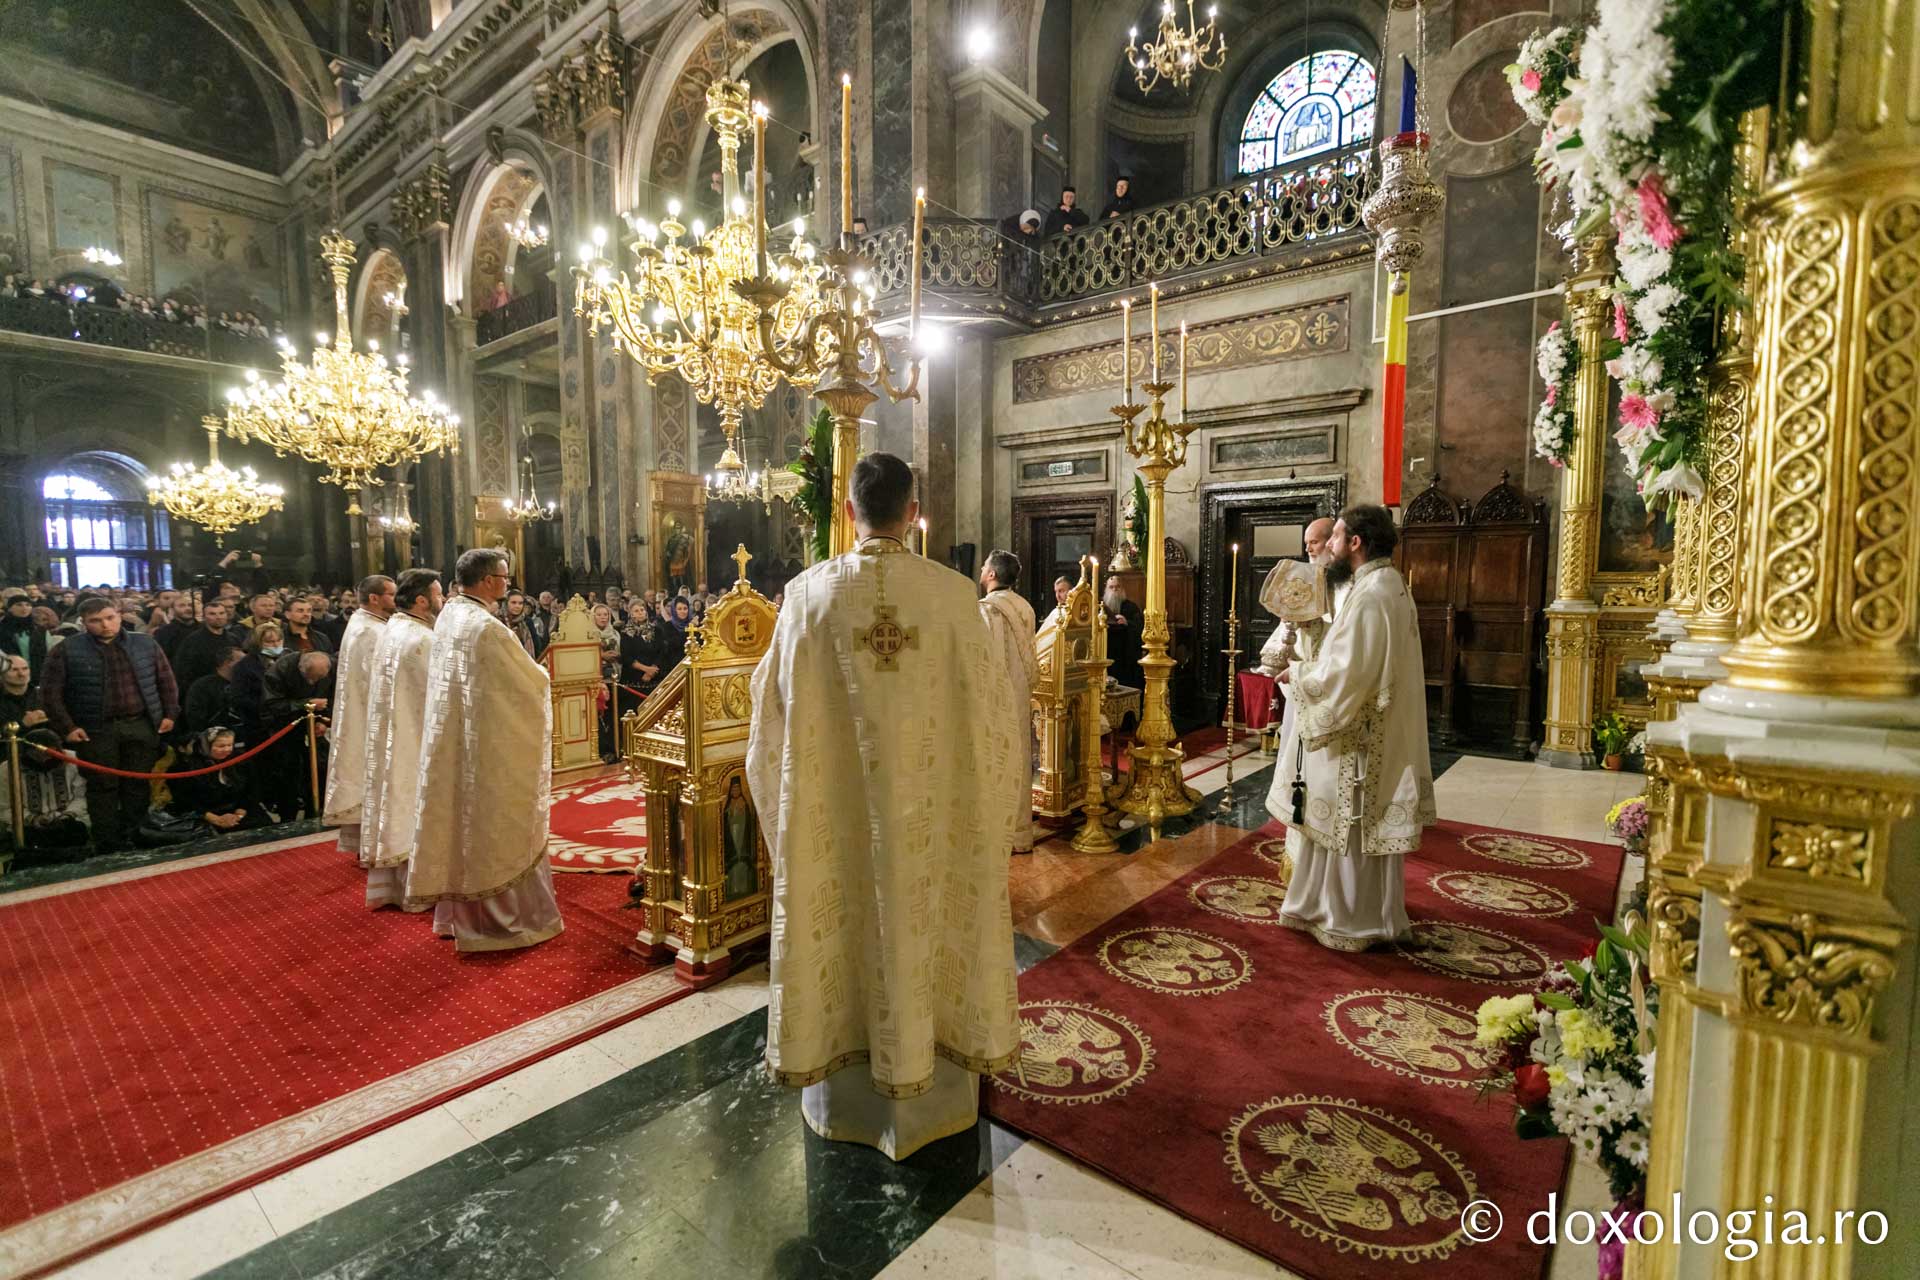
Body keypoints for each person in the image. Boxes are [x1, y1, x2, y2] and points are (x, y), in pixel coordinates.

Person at [746, 452, 1022, 1160]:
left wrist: (791, 840)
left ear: (848, 511)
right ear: (912, 511)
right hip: (935, 832)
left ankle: (848, 1102)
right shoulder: (956, 596)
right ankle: (936, 1098)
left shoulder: (807, 595)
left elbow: (767, 733)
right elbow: (996, 723)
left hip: (835, 829)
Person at [1268, 505, 1436, 951]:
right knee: (1346, 821)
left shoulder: (1372, 593)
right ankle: (1331, 907)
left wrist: (1301, 677)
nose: (1332, 547)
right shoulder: (1385, 584)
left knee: (1351, 820)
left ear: (1355, 543)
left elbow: (1349, 672)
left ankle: (1347, 918)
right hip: (1371, 727)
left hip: (1360, 736)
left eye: (1336, 537)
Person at [408, 549, 564, 951]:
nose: (507, 583)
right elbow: (527, 682)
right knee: (496, 827)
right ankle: (501, 922)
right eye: (504, 576)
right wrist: (546, 678)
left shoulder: (451, 614)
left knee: (464, 824)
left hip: (462, 741)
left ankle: (458, 913)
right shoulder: (487, 628)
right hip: (490, 749)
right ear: (488, 580)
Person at [39, 598, 179, 853]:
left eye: (109, 617)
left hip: (141, 723)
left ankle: (137, 834)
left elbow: (166, 681)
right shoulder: (66, 649)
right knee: (103, 786)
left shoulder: (145, 643)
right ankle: (107, 843)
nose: (105, 625)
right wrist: (67, 727)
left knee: (137, 784)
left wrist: (169, 713)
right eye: (96, 620)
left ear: (118, 615)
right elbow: (50, 694)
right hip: (96, 729)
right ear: (84, 623)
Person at [360, 569, 443, 909]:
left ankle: (400, 885)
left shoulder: (393, 629)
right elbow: (439, 696)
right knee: (417, 807)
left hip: (396, 735)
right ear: (422, 601)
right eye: (439, 595)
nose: (444, 600)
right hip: (416, 736)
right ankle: (423, 886)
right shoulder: (422, 640)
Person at [321, 574, 394, 858]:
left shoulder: (363, 623)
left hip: (362, 714)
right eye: (391, 594)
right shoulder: (370, 631)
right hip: (370, 718)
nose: (395, 600)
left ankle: (369, 844)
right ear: (374, 598)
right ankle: (377, 845)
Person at [1256, 517, 1336, 756]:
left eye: (1314, 542)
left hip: (1330, 671)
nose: (1308, 549)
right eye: (1306, 543)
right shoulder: (1302, 577)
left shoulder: (1345, 580)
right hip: (1301, 669)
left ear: (1331, 542)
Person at [979, 549, 1039, 855]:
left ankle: (999, 836)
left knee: (996, 761)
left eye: (984, 567)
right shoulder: (1024, 606)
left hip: (996, 697)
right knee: (1019, 759)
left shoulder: (988, 610)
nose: (980, 569)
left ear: (992, 574)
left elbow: (985, 659)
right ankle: (1020, 835)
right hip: (1021, 693)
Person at [261, 649, 333, 819]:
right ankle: (288, 816)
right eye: (311, 677)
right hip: (283, 728)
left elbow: (333, 695)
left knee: (319, 770)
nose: (313, 682)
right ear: (301, 669)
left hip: (314, 728)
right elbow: (272, 705)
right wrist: (306, 703)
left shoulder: (331, 668)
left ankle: (315, 812)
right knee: (289, 774)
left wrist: (323, 720)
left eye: (318, 678)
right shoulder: (279, 671)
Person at [166, 727, 268, 834]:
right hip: (205, 816)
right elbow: (184, 801)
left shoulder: (241, 760)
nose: (227, 750)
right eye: (221, 746)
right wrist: (216, 819)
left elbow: (253, 789)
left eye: (230, 745)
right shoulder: (186, 767)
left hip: (241, 810)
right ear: (206, 746)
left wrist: (239, 814)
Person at [170, 598, 250, 693]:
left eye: (221, 613)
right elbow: (182, 671)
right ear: (204, 617)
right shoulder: (193, 641)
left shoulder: (233, 638)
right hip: (204, 691)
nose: (218, 617)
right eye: (212, 614)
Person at [183, 644, 245, 733]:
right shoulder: (202, 687)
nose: (247, 665)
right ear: (227, 663)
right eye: (242, 661)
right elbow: (196, 719)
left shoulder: (246, 684)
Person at [1103, 580, 1145, 690]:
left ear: (1123, 589)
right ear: (1106, 589)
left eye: (1117, 587)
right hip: (1107, 652)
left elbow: (1140, 628)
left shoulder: (1131, 607)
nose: (1114, 590)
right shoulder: (1101, 608)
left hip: (1125, 655)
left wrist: (1127, 622)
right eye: (1111, 587)